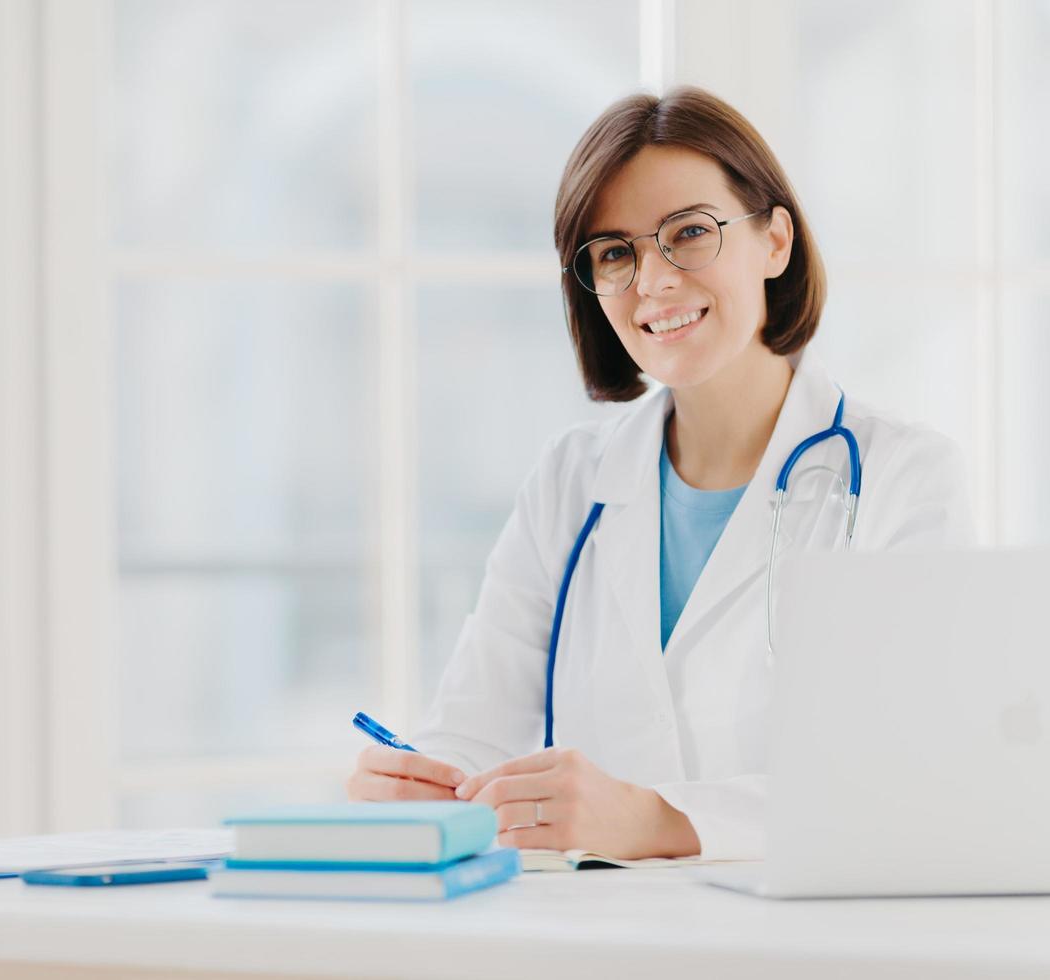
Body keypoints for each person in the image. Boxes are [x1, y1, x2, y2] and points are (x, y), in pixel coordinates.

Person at [344, 87, 972, 860]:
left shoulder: (904, 478)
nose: (654, 281)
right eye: (616, 253)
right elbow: (474, 727)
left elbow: (914, 776)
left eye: (689, 234)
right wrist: (418, 787)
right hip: (606, 943)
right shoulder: (570, 483)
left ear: (776, 241)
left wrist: (658, 821)